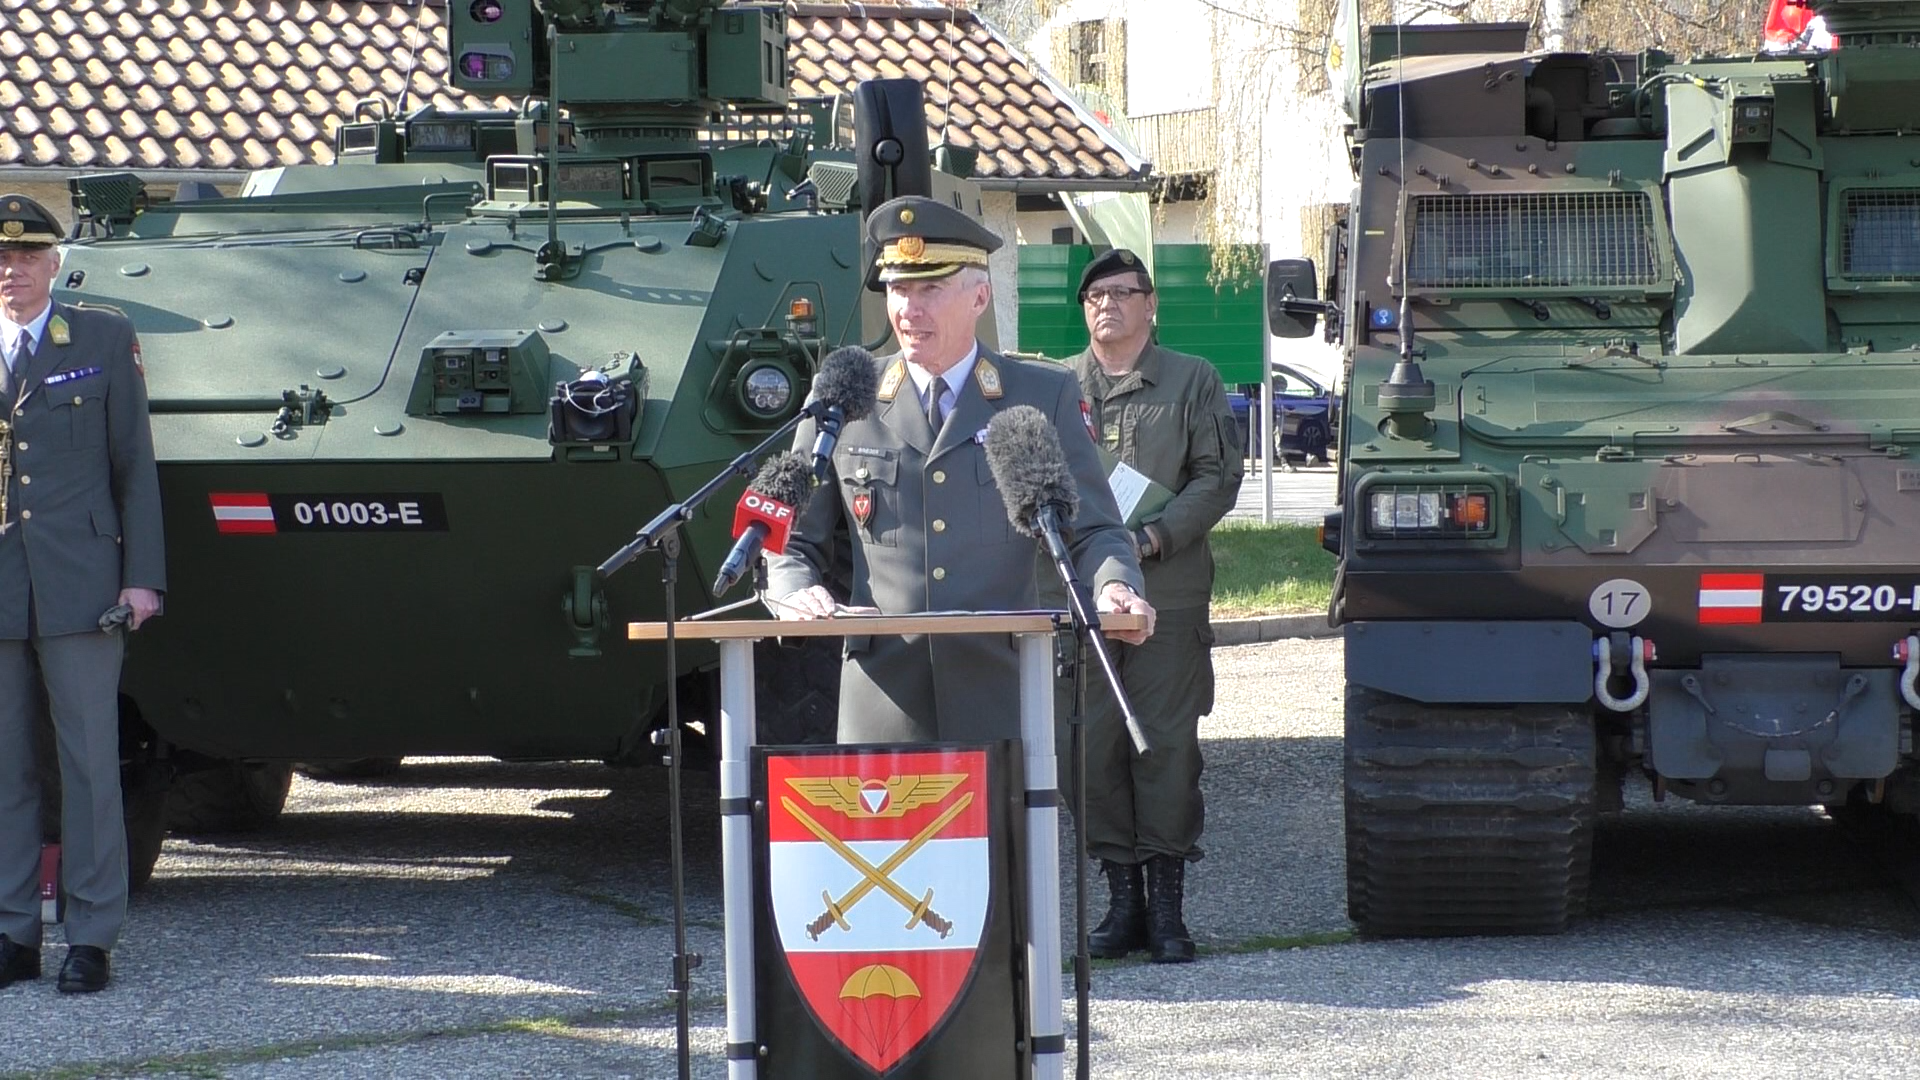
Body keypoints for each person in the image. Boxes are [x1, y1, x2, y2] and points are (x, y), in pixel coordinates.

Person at [767, 196, 1155, 744]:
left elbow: (1093, 530)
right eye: (899, 289)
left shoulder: (1041, 395)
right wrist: (792, 589)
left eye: (930, 289)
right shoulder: (845, 398)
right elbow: (789, 537)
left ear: (979, 296)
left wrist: (1114, 585)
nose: (908, 309)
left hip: (1000, 693)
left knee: (1007, 833)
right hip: (882, 698)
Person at [0, 194, 165, 994]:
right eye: (1, 258)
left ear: (54, 263)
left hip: (83, 588)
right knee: (5, 768)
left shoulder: (101, 336)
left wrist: (143, 579)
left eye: (27, 255)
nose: (11, 269)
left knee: (90, 766)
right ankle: (12, 933)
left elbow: (133, 464)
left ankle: (91, 936)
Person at [1064, 249, 1243, 964]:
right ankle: (1123, 902)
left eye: (1123, 292)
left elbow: (1218, 476)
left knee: (1165, 745)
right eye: (1095, 295)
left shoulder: (1192, 380)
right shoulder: (1056, 386)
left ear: (1150, 304)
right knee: (1089, 743)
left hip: (1164, 585)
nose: (1107, 304)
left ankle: (1168, 906)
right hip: (1079, 589)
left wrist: (1155, 536)